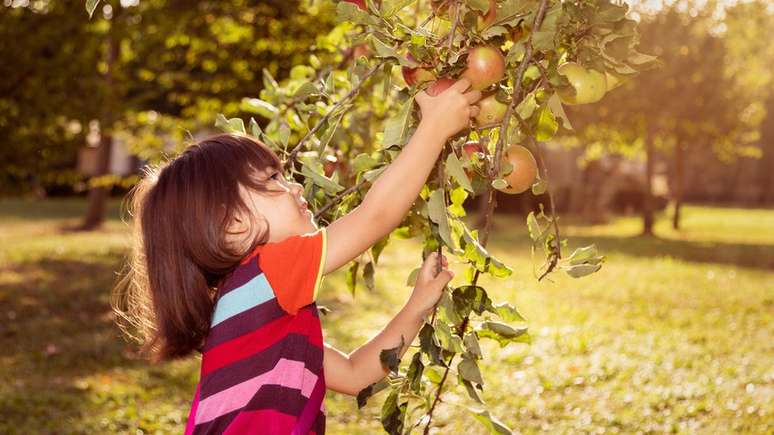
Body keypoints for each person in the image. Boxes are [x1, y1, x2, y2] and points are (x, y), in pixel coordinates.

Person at [113, 78, 482, 434]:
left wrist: (416, 306)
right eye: (274, 178)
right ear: (234, 223)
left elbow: (356, 374)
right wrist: (434, 127)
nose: (294, 186)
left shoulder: (255, 307)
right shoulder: (268, 273)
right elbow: (376, 217)